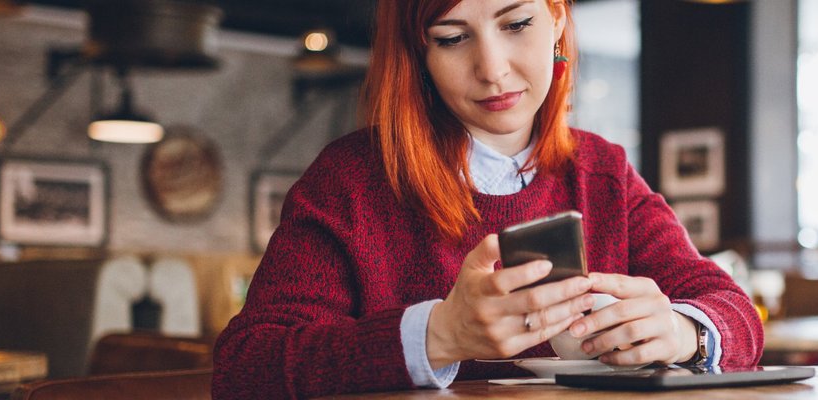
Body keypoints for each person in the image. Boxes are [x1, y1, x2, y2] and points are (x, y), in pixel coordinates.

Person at [212, 0, 763, 398]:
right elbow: (245, 366)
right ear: (419, 54)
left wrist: (680, 330)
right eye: (452, 38)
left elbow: (735, 313)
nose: (493, 69)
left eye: (517, 23)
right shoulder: (351, 179)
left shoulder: (602, 170)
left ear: (557, 21)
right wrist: (438, 336)